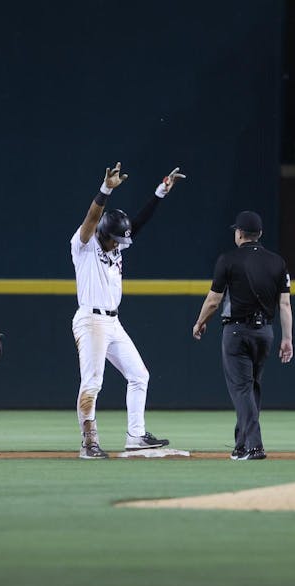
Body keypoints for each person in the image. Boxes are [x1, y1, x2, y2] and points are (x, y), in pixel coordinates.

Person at [71, 162, 185, 459]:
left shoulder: (114, 244)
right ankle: (88, 443)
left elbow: (139, 224)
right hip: (91, 320)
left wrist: (160, 192)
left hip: (112, 321)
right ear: (104, 233)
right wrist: (106, 189)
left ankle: (135, 436)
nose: (119, 244)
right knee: (93, 382)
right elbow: (91, 217)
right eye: (115, 239)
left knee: (139, 375)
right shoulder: (84, 245)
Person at [192, 211, 293, 461]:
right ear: (259, 234)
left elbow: (214, 300)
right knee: (251, 388)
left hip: (236, 331)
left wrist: (200, 322)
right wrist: (287, 338)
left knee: (242, 389)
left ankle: (254, 446)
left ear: (239, 233)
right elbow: (285, 305)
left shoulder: (228, 259)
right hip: (265, 333)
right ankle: (240, 445)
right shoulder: (277, 262)